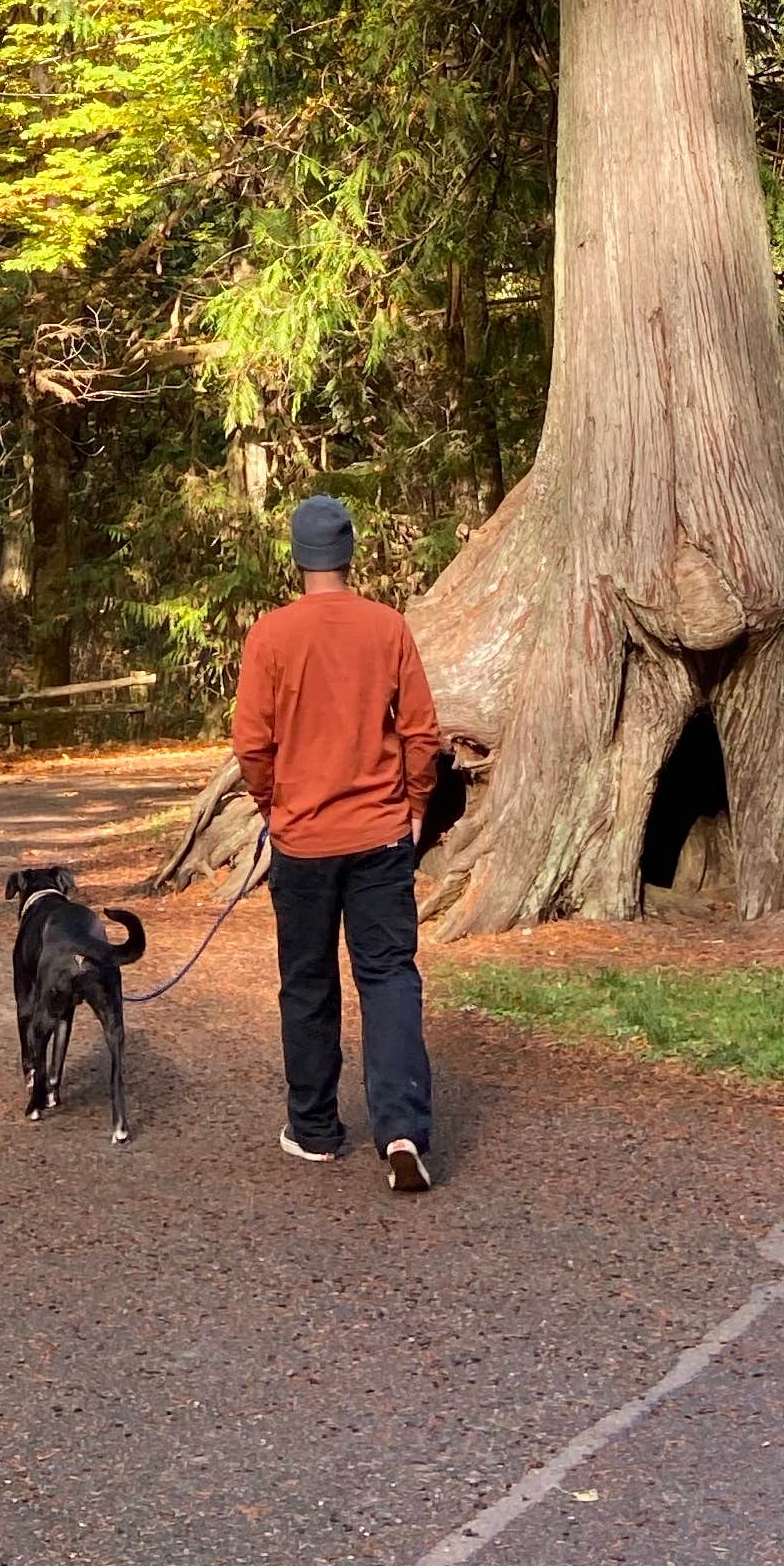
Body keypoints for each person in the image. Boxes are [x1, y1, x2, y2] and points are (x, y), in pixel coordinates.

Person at [229, 493, 441, 1193]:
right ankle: (403, 1128)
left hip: (303, 839)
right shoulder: (388, 628)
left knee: (308, 981)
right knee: (388, 977)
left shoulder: (271, 635)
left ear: (297, 558)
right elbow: (420, 733)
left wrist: (272, 804)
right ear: (350, 554)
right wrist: (414, 805)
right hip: (380, 836)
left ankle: (316, 1130)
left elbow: (252, 743)